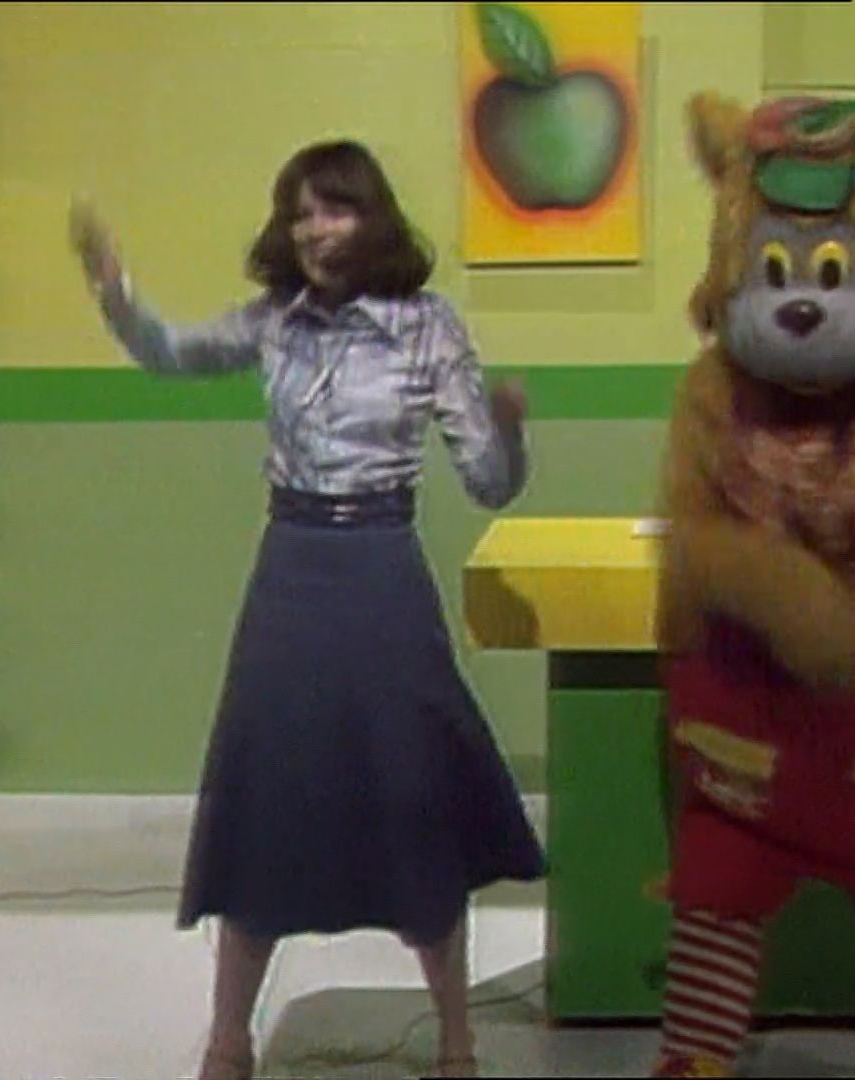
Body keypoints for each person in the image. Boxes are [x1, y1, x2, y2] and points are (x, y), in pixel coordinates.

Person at [68, 140, 546, 1080]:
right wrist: (114, 290)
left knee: (413, 800)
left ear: (375, 219)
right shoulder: (274, 322)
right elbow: (172, 352)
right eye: (300, 214)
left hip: (384, 573)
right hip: (290, 569)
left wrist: (510, 431)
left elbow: (490, 483)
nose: (314, 230)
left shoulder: (427, 328)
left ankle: (457, 1043)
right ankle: (228, 1040)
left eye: (334, 209)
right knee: (266, 798)